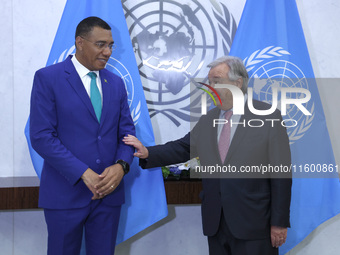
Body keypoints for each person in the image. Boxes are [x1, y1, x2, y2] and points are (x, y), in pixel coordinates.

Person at [124, 56, 292, 255]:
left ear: (237, 83)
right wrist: (147, 152)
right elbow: (182, 148)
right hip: (217, 224)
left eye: (217, 81)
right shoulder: (208, 119)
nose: (210, 87)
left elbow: (281, 173)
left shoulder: (268, 115)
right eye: (209, 82)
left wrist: (279, 222)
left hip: (254, 224)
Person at [30, 16, 135, 255]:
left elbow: (127, 133)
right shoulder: (48, 78)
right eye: (101, 44)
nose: (107, 51)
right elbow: (41, 136)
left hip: (108, 195)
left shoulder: (116, 83)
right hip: (65, 194)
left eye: (110, 45)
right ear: (80, 42)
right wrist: (82, 172)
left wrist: (121, 166)